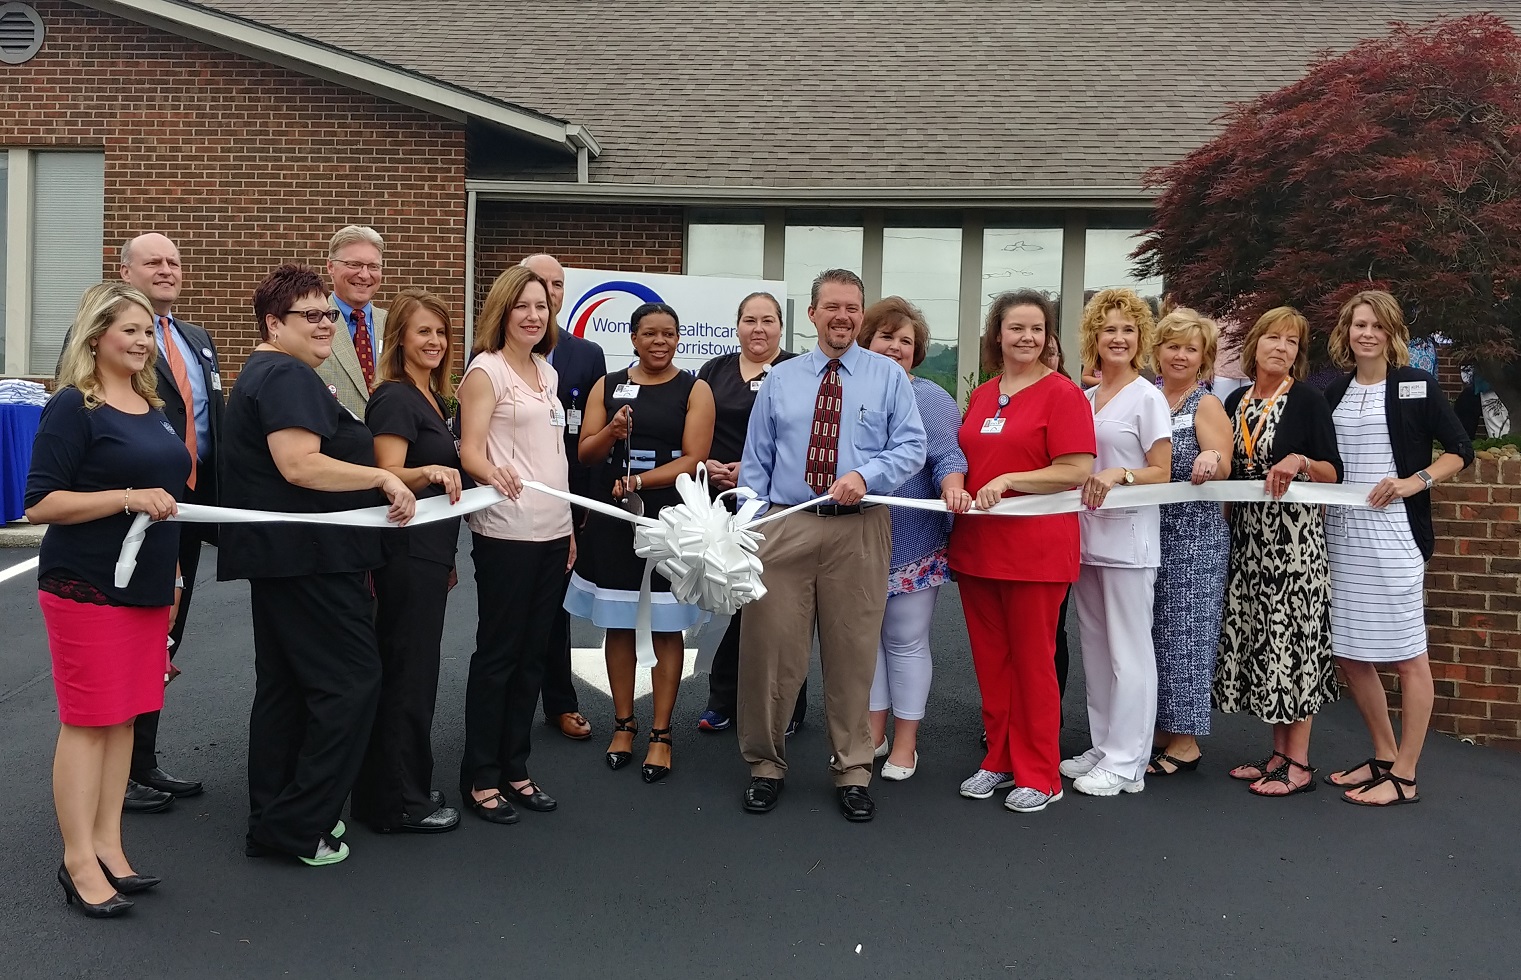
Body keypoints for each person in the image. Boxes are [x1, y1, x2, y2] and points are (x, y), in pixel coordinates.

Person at [219, 264, 416, 866]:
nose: (326, 323)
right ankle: (299, 823)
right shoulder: (286, 375)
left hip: (284, 561)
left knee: (283, 690)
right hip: (312, 562)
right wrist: (382, 475)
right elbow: (300, 465)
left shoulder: (269, 372)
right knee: (353, 684)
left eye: (329, 313)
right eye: (311, 315)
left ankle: (274, 819)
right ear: (274, 324)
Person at [736, 269, 926, 822]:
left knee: (852, 655)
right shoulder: (781, 379)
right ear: (813, 314)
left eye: (852, 307)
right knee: (770, 652)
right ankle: (765, 766)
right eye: (831, 307)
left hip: (860, 528)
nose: (842, 316)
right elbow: (756, 462)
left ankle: (852, 770)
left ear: (860, 316)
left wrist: (868, 475)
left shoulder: (888, 378)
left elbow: (911, 447)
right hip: (785, 524)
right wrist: (749, 530)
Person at [26, 282, 190, 916]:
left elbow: (170, 504)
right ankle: (76, 861)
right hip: (87, 585)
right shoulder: (74, 406)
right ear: (97, 337)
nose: (143, 342)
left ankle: (108, 845)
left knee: (125, 718)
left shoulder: (151, 406)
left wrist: (173, 579)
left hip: (147, 586)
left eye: (148, 332)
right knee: (88, 721)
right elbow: (40, 502)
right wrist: (125, 496)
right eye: (130, 331)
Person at [1322, 291, 1473, 806]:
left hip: (1394, 538)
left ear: (1391, 334)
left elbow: (1461, 451)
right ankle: (1384, 756)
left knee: (1410, 656)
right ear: (1347, 332)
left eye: (1377, 326)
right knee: (1347, 652)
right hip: (1342, 537)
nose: (1366, 334)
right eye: (1358, 325)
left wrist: (1415, 481)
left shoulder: (1416, 385)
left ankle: (1405, 775)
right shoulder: (1333, 391)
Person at [949, 290, 1093, 812]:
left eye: (1036, 328)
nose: (1026, 337)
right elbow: (967, 452)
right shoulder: (985, 394)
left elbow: (1076, 469)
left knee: (1034, 662)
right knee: (992, 662)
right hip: (979, 548)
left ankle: (1041, 772)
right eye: (1016, 328)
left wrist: (1011, 479)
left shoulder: (1063, 394)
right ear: (997, 335)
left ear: (1048, 336)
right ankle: (1000, 760)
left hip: (1035, 553)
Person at [566, 302, 716, 784]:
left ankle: (661, 734)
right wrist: (611, 430)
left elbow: (695, 458)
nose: (659, 342)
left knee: (668, 627)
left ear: (678, 339)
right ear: (632, 338)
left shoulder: (696, 389)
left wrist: (641, 481)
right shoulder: (607, 385)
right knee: (620, 624)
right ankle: (624, 725)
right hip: (614, 522)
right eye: (649, 334)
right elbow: (586, 452)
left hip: (671, 520)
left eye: (669, 334)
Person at [457, 267, 575, 822]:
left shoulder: (547, 373)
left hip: (553, 533)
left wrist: (570, 526)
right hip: (507, 534)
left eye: (541, 307)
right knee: (499, 656)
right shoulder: (487, 371)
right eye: (522, 306)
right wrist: (491, 472)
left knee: (532, 658)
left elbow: (557, 460)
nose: (534, 315)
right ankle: (481, 775)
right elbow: (470, 451)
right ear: (502, 311)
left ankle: (516, 767)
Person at [112, 234, 224, 809]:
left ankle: (143, 762)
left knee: (166, 637)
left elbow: (211, 425)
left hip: (186, 512)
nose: (166, 270)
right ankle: (117, 772)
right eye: (153, 261)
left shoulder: (196, 339)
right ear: (124, 269)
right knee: (129, 642)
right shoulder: (108, 340)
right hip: (132, 517)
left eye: (175, 262)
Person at [1215, 307, 1344, 797]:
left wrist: (1301, 460)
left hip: (1294, 547)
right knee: (1266, 642)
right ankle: (1277, 753)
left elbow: (1335, 471)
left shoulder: (1308, 399)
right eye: (1273, 337)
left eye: (1292, 342)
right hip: (1249, 542)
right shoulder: (1236, 402)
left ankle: (1300, 763)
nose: (1281, 348)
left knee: (1296, 645)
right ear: (1255, 343)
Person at [352, 289, 465, 834]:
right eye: (424, 332)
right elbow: (387, 472)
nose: (436, 342)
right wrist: (434, 475)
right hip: (404, 554)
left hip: (428, 553)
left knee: (415, 674)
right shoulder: (396, 398)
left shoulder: (432, 398)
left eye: (441, 333)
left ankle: (400, 786)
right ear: (399, 337)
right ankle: (399, 802)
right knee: (407, 677)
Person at [1059, 288, 1172, 798]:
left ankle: (1129, 760)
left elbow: (1162, 472)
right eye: (1109, 329)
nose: (1119, 338)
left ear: (1141, 337)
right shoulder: (1083, 399)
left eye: (1128, 329)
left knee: (1131, 653)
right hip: (1086, 540)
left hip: (1129, 540)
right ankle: (1105, 745)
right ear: (1094, 338)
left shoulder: (1148, 396)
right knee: (1097, 651)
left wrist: (1121, 473)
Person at [859, 297, 966, 781]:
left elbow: (947, 455)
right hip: (852, 542)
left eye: (906, 341)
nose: (896, 347)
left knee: (904, 642)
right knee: (865, 644)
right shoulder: (845, 389)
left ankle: (906, 744)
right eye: (887, 337)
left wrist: (952, 484)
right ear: (867, 340)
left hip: (911, 544)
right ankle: (872, 734)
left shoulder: (931, 398)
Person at [695, 292, 806, 736]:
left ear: (781, 326)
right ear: (737, 326)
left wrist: (756, 469)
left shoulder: (799, 370)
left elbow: (805, 437)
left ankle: (781, 703)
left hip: (778, 505)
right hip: (722, 504)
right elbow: (695, 427)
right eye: (749, 320)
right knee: (741, 601)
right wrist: (707, 463)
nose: (758, 328)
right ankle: (730, 699)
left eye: (767, 320)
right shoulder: (713, 372)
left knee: (780, 605)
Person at [1147, 308, 1232, 777]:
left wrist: (1211, 456)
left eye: (1190, 348)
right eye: (1172, 345)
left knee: (1185, 637)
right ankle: (1158, 731)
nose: (1180, 355)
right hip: (1143, 534)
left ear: (1203, 358)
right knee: (1151, 637)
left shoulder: (1205, 404)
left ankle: (1184, 743)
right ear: (1157, 350)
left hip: (1192, 539)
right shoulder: (1148, 396)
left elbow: (1224, 461)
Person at [522, 253, 602, 742]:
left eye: (556, 285)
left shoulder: (586, 354)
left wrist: (585, 505)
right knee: (512, 612)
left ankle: (560, 702)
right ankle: (512, 703)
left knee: (556, 605)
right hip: (512, 500)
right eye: (538, 284)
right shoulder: (490, 357)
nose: (549, 294)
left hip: (566, 497)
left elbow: (589, 434)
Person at [317, 225, 387, 416]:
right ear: (330, 266)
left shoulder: (395, 325)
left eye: (373, 267)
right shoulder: (311, 324)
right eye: (354, 264)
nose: (364, 275)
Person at [1041, 330, 1074, 699]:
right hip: (1010, 535)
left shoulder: (1067, 395)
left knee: (1051, 632)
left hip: (1054, 533)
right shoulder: (998, 394)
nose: (1045, 357)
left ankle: (1051, 717)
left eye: (1052, 352)